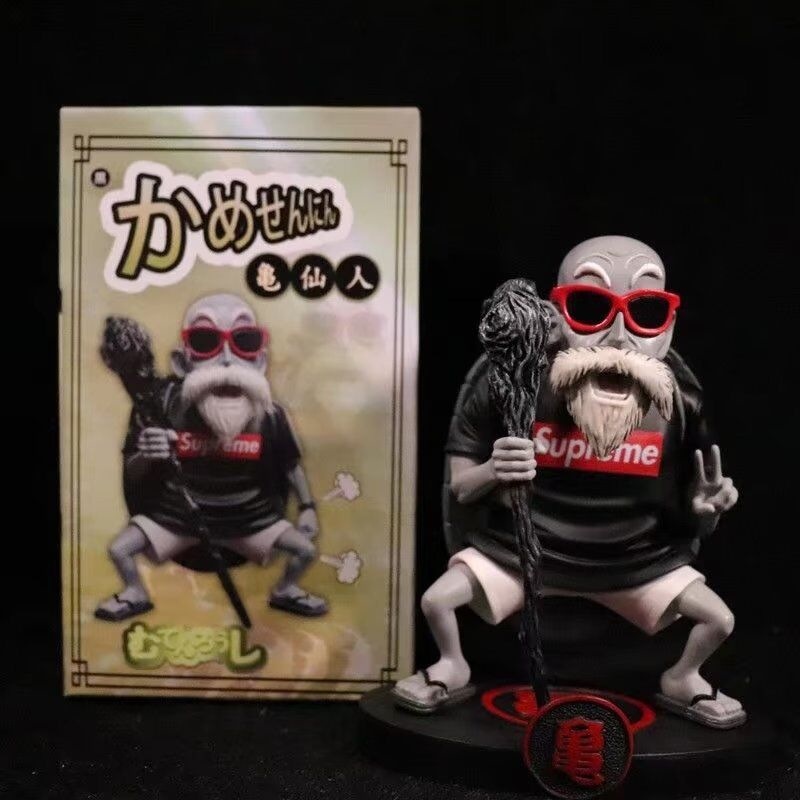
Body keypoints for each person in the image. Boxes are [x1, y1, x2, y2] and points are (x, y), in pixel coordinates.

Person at [393, 235, 743, 729]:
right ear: (555, 314)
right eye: (590, 307)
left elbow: (690, 521)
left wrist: (704, 512)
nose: (618, 338)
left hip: (634, 563)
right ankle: (453, 664)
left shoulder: (681, 408)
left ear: (667, 326)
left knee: (719, 620)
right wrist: (494, 469)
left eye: (644, 312)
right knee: (436, 601)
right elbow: (459, 490)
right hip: (521, 556)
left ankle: (682, 676)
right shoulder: (511, 385)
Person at [95, 292, 328, 621]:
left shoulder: (271, 416)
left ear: (260, 361)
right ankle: (135, 592)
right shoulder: (163, 406)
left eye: (245, 341)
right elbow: (133, 472)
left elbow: (290, 465)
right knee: (119, 550)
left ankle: (285, 590)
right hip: (178, 520)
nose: (227, 360)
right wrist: (148, 454)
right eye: (205, 341)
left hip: (251, 521)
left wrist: (307, 509)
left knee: (304, 551)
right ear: (182, 362)